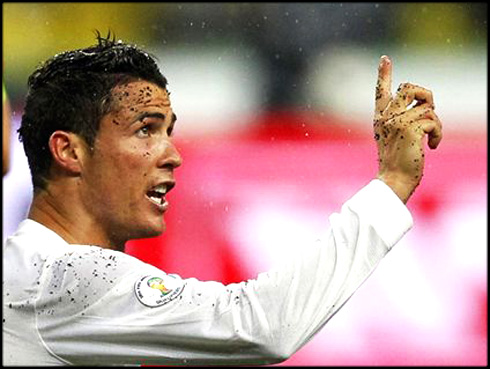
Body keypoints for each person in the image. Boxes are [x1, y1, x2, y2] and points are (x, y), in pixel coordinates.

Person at [3, 32, 442, 366]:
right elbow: (258, 325)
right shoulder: (64, 279)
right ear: (69, 151)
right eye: (145, 130)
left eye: (168, 131)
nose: (172, 155)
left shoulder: (33, 277)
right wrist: (394, 181)